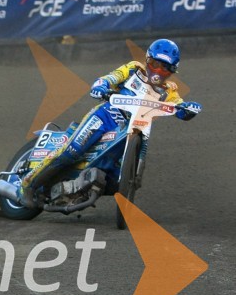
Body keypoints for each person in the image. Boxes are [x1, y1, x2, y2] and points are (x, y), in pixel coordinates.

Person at [18, 38, 202, 208]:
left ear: (172, 71)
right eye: (155, 64)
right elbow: (110, 78)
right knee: (72, 150)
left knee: (114, 179)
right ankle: (28, 184)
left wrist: (188, 109)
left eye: (165, 68)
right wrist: (101, 86)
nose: (158, 71)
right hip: (106, 116)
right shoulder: (134, 69)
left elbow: (179, 108)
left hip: (135, 128)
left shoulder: (170, 91)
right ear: (147, 59)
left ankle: (83, 187)